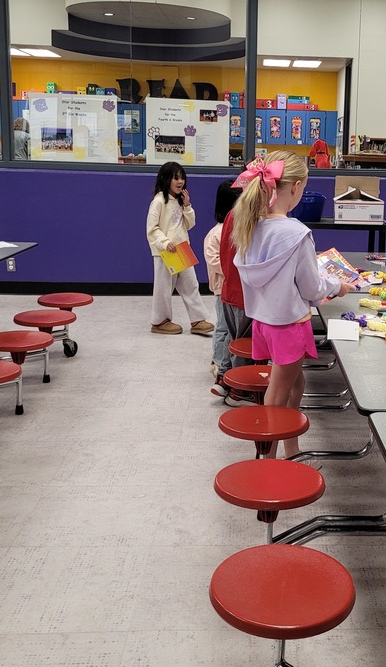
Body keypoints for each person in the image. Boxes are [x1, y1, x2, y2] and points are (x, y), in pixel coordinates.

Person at [232, 150, 356, 457]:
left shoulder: (252, 226)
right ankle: (267, 458)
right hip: (290, 326)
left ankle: (292, 448)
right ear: (297, 187)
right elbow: (313, 288)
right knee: (277, 394)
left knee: (295, 383)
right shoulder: (298, 233)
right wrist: (337, 286)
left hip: (264, 325)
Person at [146, 161, 215, 335]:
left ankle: (197, 319)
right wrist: (164, 242)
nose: (180, 181)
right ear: (165, 178)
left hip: (182, 249)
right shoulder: (159, 202)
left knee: (191, 284)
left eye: (182, 177)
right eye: (176, 177)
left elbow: (189, 225)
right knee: (163, 288)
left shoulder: (179, 201)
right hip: (165, 252)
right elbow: (152, 229)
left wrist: (187, 206)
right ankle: (160, 321)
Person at [203, 179, 242, 397]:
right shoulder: (216, 234)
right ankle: (219, 363)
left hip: (234, 288)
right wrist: (236, 270)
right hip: (223, 289)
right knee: (222, 328)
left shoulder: (237, 228)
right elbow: (215, 261)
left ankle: (227, 364)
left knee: (231, 329)